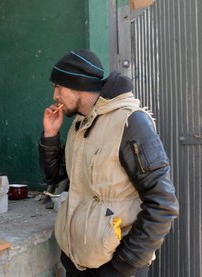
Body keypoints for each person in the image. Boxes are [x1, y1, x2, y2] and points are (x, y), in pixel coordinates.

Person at [38, 49, 179, 276]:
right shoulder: (80, 124)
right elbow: (56, 177)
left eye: (58, 87)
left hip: (114, 266)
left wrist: (124, 265)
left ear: (77, 86)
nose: (55, 95)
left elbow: (163, 204)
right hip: (76, 260)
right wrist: (50, 135)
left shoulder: (130, 121)